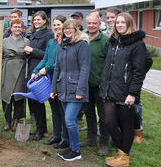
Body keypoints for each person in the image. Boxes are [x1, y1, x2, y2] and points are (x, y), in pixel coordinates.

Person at [100, 12, 146, 166]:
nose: (119, 25)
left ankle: (123, 157)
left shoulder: (137, 44)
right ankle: (122, 150)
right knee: (108, 122)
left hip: (126, 91)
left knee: (125, 124)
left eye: (122, 22)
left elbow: (139, 70)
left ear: (129, 24)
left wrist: (133, 93)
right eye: (117, 22)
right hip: (109, 88)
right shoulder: (113, 41)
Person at [51, 19, 90, 162]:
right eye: (65, 28)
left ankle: (76, 150)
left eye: (70, 28)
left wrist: (80, 90)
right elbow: (57, 68)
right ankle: (72, 147)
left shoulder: (82, 45)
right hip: (62, 88)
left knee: (69, 120)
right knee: (68, 120)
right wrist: (53, 88)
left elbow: (85, 68)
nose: (67, 30)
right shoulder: (62, 44)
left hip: (76, 89)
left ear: (76, 28)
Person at [32, 15, 69, 149]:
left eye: (59, 24)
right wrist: (36, 71)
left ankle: (65, 138)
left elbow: (60, 62)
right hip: (51, 80)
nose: (57, 27)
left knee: (62, 109)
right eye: (55, 25)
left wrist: (45, 69)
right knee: (54, 109)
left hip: (62, 80)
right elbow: (46, 58)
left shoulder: (66, 42)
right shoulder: (52, 42)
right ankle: (56, 135)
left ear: (65, 25)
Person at [81, 14, 110, 156]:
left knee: (103, 116)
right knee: (89, 113)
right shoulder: (82, 37)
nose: (91, 25)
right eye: (89, 23)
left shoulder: (105, 41)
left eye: (94, 23)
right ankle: (91, 138)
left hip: (100, 85)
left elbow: (109, 64)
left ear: (99, 24)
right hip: (85, 84)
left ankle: (104, 143)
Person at [25, 10, 54, 141]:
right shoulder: (34, 34)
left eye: (39, 20)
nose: (36, 22)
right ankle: (40, 127)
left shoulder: (49, 34)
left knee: (37, 101)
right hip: (32, 69)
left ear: (45, 21)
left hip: (41, 70)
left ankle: (41, 130)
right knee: (32, 101)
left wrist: (33, 50)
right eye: (34, 20)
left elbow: (47, 54)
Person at [1, 19, 30, 131]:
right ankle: (8, 121)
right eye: (15, 27)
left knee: (18, 97)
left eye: (19, 27)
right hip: (8, 69)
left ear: (22, 28)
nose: (17, 29)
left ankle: (17, 121)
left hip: (21, 70)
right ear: (11, 28)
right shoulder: (4, 41)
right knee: (6, 96)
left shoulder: (26, 41)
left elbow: (28, 56)